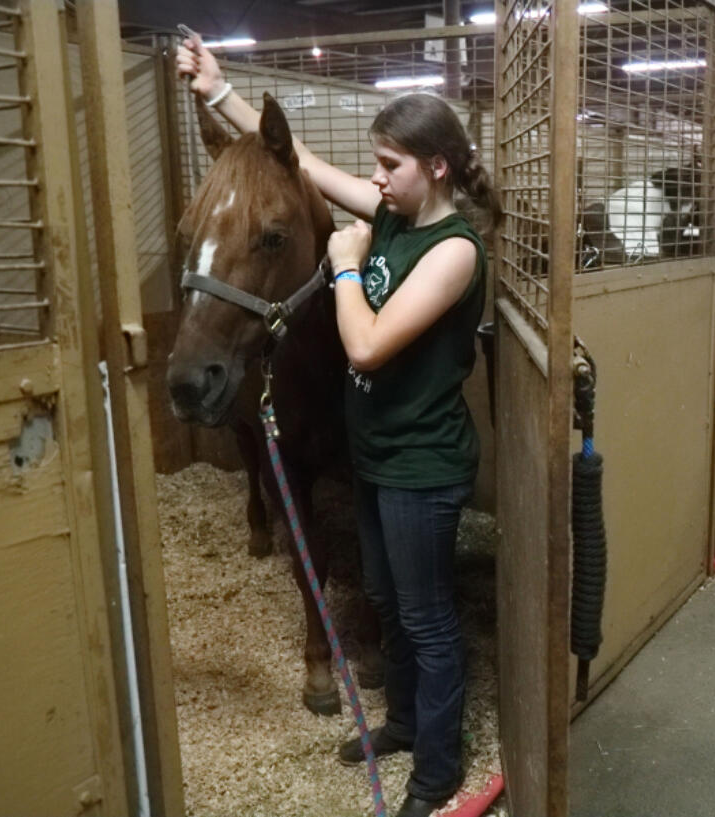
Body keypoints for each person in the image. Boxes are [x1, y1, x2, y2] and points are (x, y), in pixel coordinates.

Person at [178, 36, 501, 817]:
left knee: (428, 618)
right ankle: (399, 726)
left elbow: (365, 342)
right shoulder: (393, 214)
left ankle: (437, 768)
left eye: (389, 165)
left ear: (438, 168)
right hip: (379, 456)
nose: (375, 179)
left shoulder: (451, 249)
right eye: (376, 166)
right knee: (388, 600)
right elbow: (301, 165)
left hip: (423, 465)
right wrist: (221, 91)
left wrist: (347, 259)